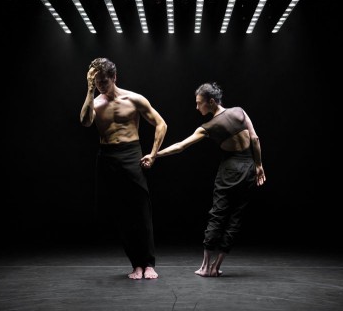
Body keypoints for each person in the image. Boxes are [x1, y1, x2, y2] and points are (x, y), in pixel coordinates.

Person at [141, 82, 266, 277]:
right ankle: (217, 266)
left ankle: (206, 268)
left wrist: (154, 155)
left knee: (218, 214)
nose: (197, 107)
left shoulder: (209, 126)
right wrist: (258, 165)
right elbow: (255, 139)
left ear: (212, 102)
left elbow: (180, 146)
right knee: (236, 217)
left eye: (200, 103)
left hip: (230, 170)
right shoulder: (240, 112)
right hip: (249, 167)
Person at [80, 57, 167, 280]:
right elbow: (85, 122)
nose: (101, 86)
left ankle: (148, 264)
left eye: (104, 82)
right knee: (121, 214)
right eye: (97, 83)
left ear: (114, 77)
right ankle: (136, 265)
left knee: (140, 211)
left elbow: (161, 124)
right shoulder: (95, 103)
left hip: (131, 153)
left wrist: (153, 154)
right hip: (107, 156)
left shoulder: (134, 99)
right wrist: (90, 91)